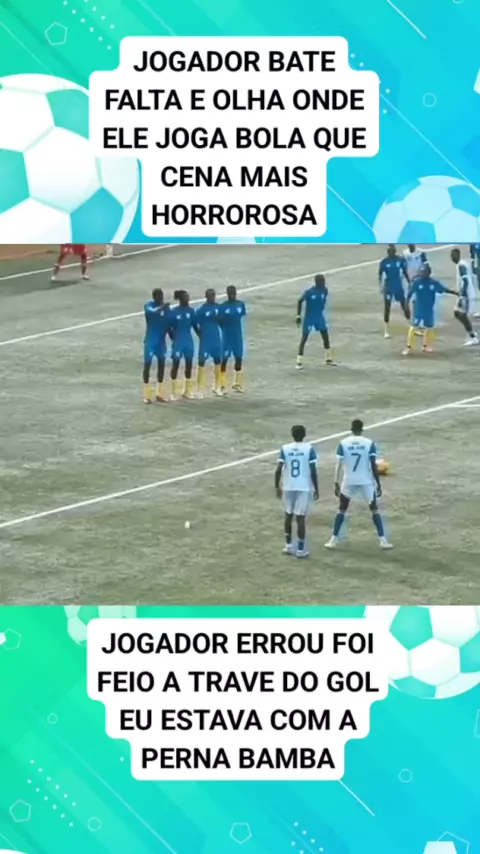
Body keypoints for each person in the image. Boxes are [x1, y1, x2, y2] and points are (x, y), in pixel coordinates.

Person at [325, 419, 392, 550]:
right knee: (374, 510)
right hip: (365, 481)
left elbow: (338, 465)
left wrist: (336, 482)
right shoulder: (369, 443)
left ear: (351, 429)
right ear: (362, 429)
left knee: (341, 510)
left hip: (349, 481)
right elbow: (373, 465)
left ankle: (333, 540)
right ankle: (383, 541)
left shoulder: (343, 443)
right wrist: (378, 483)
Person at [275, 425, 319, 559]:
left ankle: (288, 546)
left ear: (292, 435)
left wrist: (277, 486)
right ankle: (300, 549)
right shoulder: (309, 449)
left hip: (288, 486)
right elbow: (313, 470)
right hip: (303, 487)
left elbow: (278, 469)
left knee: (288, 515)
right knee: (300, 518)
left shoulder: (285, 448)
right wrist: (316, 488)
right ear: (304, 435)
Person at [402, 264, 458, 355]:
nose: (422, 274)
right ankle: (408, 347)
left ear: (428, 273)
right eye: (421, 272)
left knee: (429, 327)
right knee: (414, 327)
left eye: (424, 272)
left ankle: (426, 346)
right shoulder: (416, 282)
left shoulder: (433, 282)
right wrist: (406, 304)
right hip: (419, 309)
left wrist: (455, 293)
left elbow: (444, 289)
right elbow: (409, 293)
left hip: (429, 309)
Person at [296, 274, 335, 368]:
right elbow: (300, 301)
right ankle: (299, 361)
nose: (324, 283)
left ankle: (328, 358)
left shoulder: (325, 290)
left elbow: (323, 301)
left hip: (319, 317)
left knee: (325, 336)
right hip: (309, 318)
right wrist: (298, 316)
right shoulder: (309, 292)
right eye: (322, 281)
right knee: (304, 338)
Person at [143, 288, 170, 404]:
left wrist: (172, 336)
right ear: (154, 297)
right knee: (147, 366)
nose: (161, 298)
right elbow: (153, 312)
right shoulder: (148, 306)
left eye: (162, 296)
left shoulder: (166, 309)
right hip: (150, 341)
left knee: (161, 365)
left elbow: (168, 323)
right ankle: (146, 395)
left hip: (161, 342)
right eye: (159, 297)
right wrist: (162, 307)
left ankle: (159, 393)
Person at [169, 290, 198, 400]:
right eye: (186, 297)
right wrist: (172, 337)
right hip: (178, 342)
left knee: (189, 365)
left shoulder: (191, 311)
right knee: (175, 365)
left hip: (188, 342)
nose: (188, 298)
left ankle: (187, 391)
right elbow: (169, 327)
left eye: (188, 296)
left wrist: (201, 336)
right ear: (181, 299)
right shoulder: (174, 312)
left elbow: (195, 326)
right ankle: (173, 392)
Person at [195, 288, 223, 397]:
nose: (213, 298)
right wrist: (199, 333)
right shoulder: (200, 310)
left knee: (218, 361)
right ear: (206, 297)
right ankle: (199, 389)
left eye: (214, 295)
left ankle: (217, 387)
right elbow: (194, 323)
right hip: (205, 341)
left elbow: (222, 321)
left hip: (216, 339)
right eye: (211, 296)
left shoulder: (219, 308)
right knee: (201, 362)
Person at [378, 244, 410, 338]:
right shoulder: (384, 262)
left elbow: (405, 272)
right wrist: (381, 286)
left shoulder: (400, 260)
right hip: (389, 286)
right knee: (387, 307)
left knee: (404, 305)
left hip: (398, 286)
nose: (390, 252)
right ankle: (386, 330)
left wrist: (409, 282)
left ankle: (410, 325)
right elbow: (380, 275)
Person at [219, 285, 246, 393]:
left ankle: (237, 383)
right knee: (224, 360)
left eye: (234, 294)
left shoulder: (240, 304)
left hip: (237, 337)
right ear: (227, 294)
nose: (232, 296)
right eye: (230, 294)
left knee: (238, 358)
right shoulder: (223, 307)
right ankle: (221, 384)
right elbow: (219, 321)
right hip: (227, 338)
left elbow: (240, 316)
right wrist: (224, 329)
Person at [451, 248, 479, 344]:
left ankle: (473, 336)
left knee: (460, 314)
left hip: (465, 295)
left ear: (458, 255)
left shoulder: (461, 266)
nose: (452, 258)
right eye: (452, 256)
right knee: (459, 313)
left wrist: (462, 296)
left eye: (454, 255)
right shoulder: (462, 264)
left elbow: (465, 281)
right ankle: (472, 334)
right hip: (466, 293)